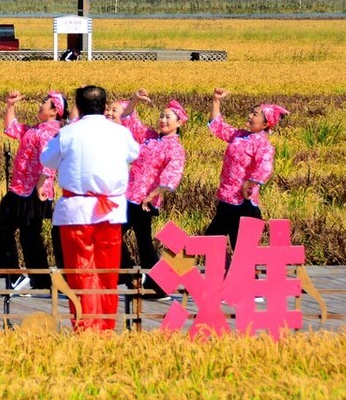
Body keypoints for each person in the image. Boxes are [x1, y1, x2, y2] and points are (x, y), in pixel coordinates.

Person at [40, 85, 139, 331]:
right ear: (105, 106)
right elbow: (134, 154)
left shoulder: (69, 133)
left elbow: (46, 159)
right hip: (110, 211)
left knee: (81, 271)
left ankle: (85, 326)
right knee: (107, 272)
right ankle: (104, 327)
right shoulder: (120, 133)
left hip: (76, 211)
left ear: (79, 107)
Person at [116, 89, 188, 295]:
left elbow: (171, 176)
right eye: (162, 116)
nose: (163, 120)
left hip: (145, 202)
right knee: (139, 242)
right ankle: (152, 283)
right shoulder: (148, 137)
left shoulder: (175, 148)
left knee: (135, 241)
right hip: (130, 196)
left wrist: (152, 195)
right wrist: (135, 100)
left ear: (179, 123)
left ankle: (141, 279)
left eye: (168, 117)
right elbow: (127, 117)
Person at [0, 90, 65, 291]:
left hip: (33, 190)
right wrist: (10, 105)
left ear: (55, 111)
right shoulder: (36, 129)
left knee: (5, 230)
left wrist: (42, 184)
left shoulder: (50, 132)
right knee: (29, 235)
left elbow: (50, 161)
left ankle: (16, 276)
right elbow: (11, 128)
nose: (40, 104)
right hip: (21, 188)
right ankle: (40, 281)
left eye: (45, 102)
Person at [205, 88, 287, 250]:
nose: (250, 116)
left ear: (265, 124)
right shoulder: (239, 135)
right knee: (212, 242)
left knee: (237, 249)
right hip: (227, 199)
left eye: (255, 114)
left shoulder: (263, 144)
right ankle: (224, 272)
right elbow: (218, 126)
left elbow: (265, 168)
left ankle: (238, 273)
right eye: (251, 112)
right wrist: (216, 100)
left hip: (243, 203)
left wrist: (249, 183)